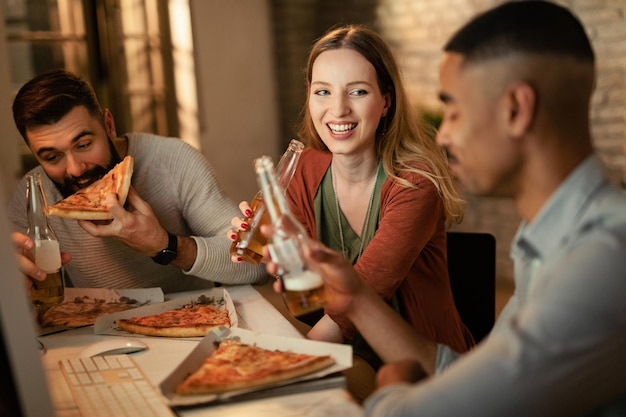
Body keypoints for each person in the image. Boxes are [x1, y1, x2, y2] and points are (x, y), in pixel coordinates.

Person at [267, 1, 626, 416]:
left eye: (454, 109)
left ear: (516, 109)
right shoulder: (545, 238)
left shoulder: (603, 259)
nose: (445, 135)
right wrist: (356, 299)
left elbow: (472, 408)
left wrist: (391, 391)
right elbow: (474, 375)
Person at [231, 25, 474, 363]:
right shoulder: (304, 169)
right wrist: (282, 257)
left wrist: (278, 364)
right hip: (347, 357)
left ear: (386, 100)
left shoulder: (415, 183)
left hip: (422, 369)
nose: (338, 109)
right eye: (323, 92)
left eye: (357, 92)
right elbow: (311, 302)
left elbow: (344, 314)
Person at [9, 69, 267, 293]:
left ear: (109, 125)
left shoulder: (174, 160)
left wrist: (165, 246)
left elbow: (256, 264)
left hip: (190, 326)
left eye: (84, 145)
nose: (75, 170)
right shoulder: (33, 194)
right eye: (53, 157)